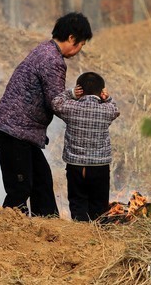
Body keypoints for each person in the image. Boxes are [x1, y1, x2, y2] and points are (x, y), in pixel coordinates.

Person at [0, 12, 93, 217]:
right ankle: (7, 232)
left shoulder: (44, 49)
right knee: (20, 188)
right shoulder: (54, 60)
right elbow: (56, 103)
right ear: (72, 38)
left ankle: (48, 228)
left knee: (42, 182)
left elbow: (54, 95)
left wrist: (71, 96)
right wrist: (87, 114)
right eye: (81, 44)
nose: (79, 50)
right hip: (14, 131)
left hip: (19, 131)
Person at [52, 72, 120, 221]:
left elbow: (56, 103)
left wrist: (71, 93)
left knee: (77, 200)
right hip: (99, 165)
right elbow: (115, 109)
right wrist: (107, 98)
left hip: (75, 165)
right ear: (101, 91)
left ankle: (79, 230)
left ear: (79, 89)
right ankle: (97, 232)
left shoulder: (71, 107)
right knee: (98, 203)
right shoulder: (106, 109)